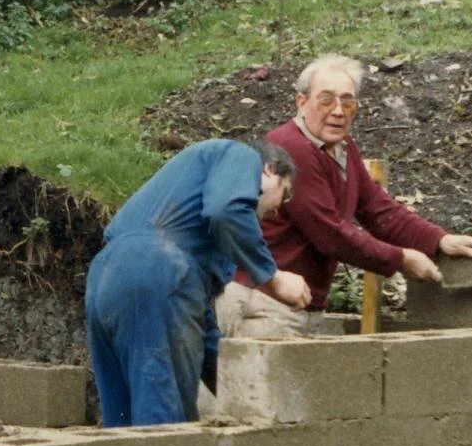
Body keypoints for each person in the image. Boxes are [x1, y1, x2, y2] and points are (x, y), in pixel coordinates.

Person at [216, 54, 472, 339]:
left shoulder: (343, 147)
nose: (338, 111)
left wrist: (438, 240)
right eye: (326, 100)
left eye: (347, 102)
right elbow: (330, 234)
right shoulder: (292, 147)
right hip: (264, 298)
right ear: (301, 102)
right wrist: (400, 258)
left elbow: (378, 208)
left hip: (296, 303)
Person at [86, 138, 308, 426]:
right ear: (268, 170)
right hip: (158, 273)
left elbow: (203, 333)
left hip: (105, 279)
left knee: (121, 421)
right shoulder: (240, 155)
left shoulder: (196, 223)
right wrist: (274, 278)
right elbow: (226, 210)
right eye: (285, 195)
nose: (277, 212)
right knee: (162, 425)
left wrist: (252, 398)